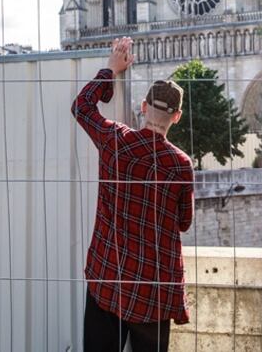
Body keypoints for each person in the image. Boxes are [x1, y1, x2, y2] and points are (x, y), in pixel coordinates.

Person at [71, 37, 194, 352]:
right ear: (177, 117)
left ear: (143, 107)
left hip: (108, 272)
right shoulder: (180, 165)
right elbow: (184, 222)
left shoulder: (116, 140)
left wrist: (110, 71)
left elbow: (81, 107)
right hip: (152, 284)